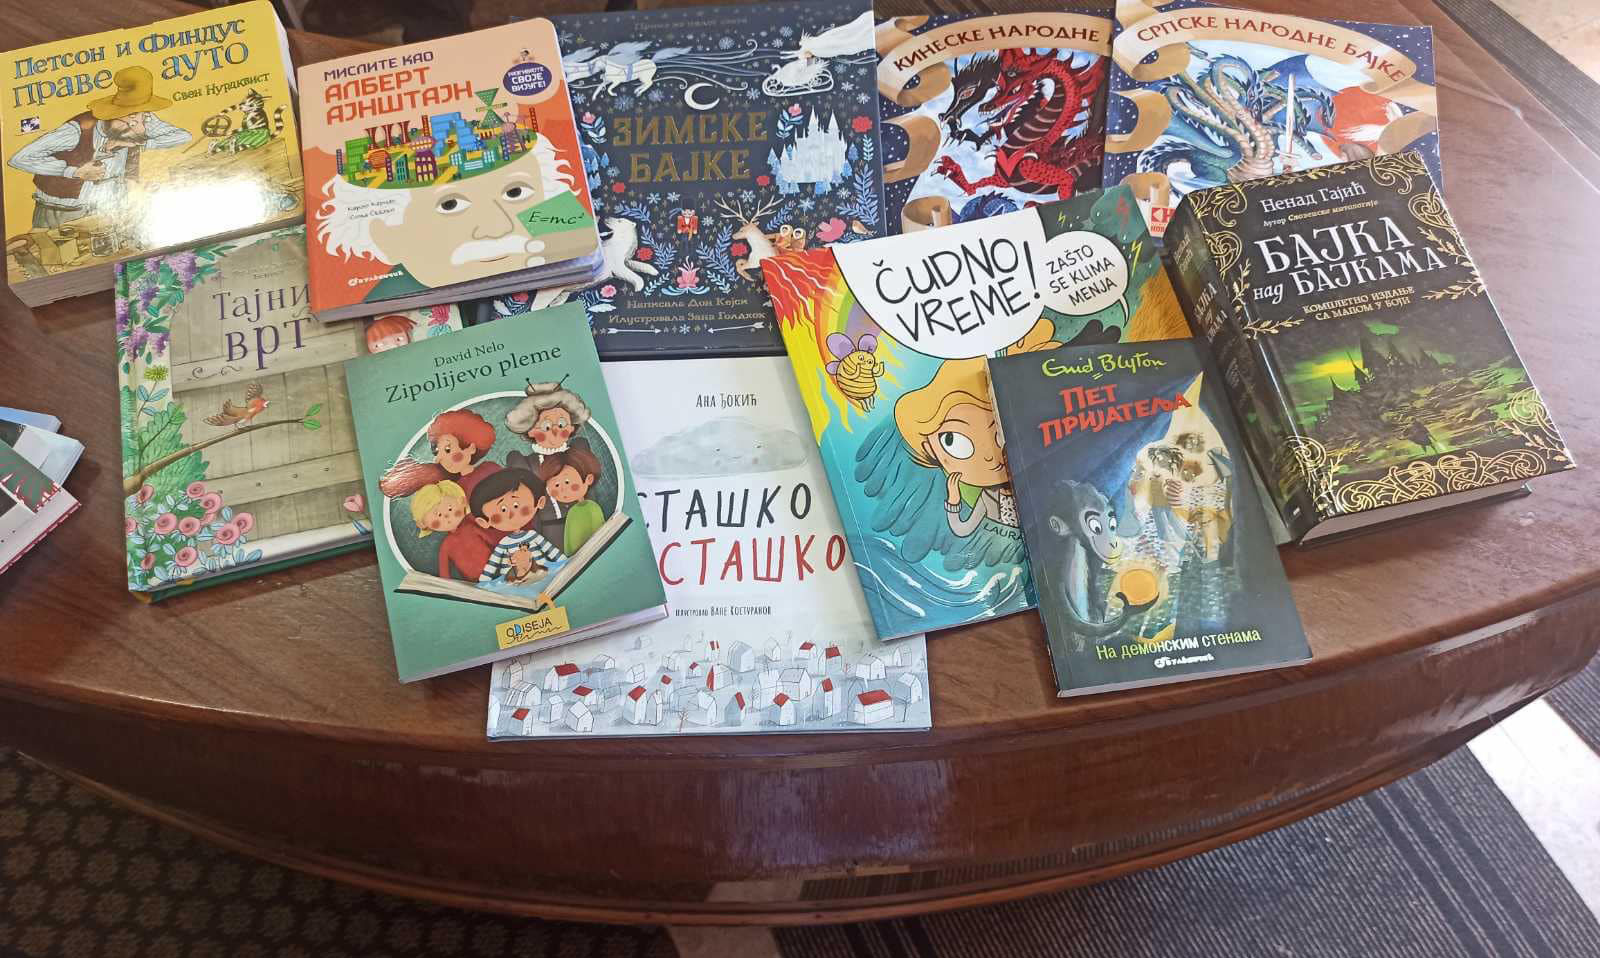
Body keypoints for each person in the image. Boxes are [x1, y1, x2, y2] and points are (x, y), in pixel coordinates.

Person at [314, 134, 576, 301]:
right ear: (386, 237)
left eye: (515, 192)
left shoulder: (569, 248)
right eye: (450, 204)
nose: (498, 226)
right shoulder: (371, 298)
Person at [8, 66, 192, 228]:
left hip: (108, 210)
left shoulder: (140, 120)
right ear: (114, 114)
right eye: (131, 119)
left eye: (142, 117)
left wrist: (138, 143)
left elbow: (183, 136)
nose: (140, 126)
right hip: (63, 213)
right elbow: (19, 159)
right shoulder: (76, 131)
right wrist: (74, 172)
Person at [470, 464, 565, 587]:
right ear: (484, 522)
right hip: (513, 586)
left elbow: (552, 552)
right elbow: (492, 566)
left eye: (516, 505)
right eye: (503, 510)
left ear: (539, 502)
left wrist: (566, 564)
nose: (510, 515)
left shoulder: (533, 536)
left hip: (543, 578)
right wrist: (482, 585)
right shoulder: (504, 544)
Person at [379, 409, 502, 499]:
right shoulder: (452, 490)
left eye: (447, 450)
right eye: (438, 452)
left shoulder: (491, 469)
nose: (437, 459)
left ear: (471, 448)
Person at [536, 439, 605, 555]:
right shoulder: (573, 511)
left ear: (589, 479)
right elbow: (569, 543)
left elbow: (601, 534)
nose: (562, 489)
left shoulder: (592, 507)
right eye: (556, 485)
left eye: (567, 482)